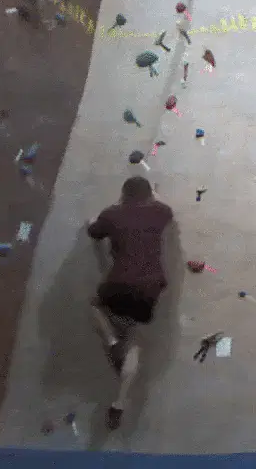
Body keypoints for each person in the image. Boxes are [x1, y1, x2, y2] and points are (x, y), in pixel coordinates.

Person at [86, 176, 174, 430]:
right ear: (150, 195)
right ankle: (119, 403)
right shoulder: (160, 212)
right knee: (133, 337)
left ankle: (112, 341)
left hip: (119, 283)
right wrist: (154, 197)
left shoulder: (112, 214)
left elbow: (94, 232)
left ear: (123, 195)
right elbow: (166, 210)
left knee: (95, 305)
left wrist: (93, 221)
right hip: (150, 287)